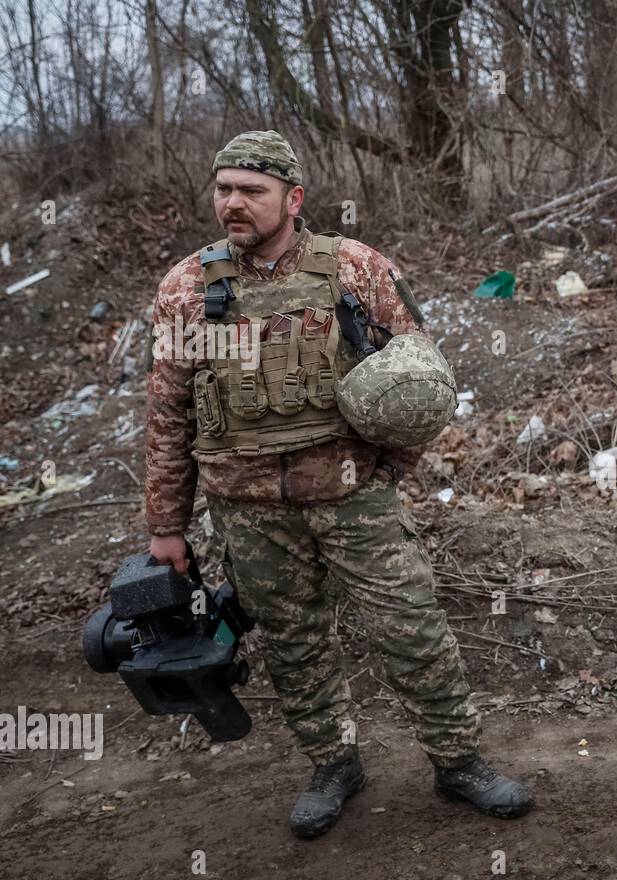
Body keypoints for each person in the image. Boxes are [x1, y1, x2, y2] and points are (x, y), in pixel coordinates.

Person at [144, 130, 532, 838]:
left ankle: (459, 760)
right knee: (295, 643)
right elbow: (168, 414)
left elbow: (422, 375)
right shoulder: (186, 290)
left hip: (355, 498)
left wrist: (391, 468)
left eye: (251, 191)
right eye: (224, 188)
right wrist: (166, 526)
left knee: (412, 627)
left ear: (293, 199)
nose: (233, 202)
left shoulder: (355, 270)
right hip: (250, 511)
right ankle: (333, 763)